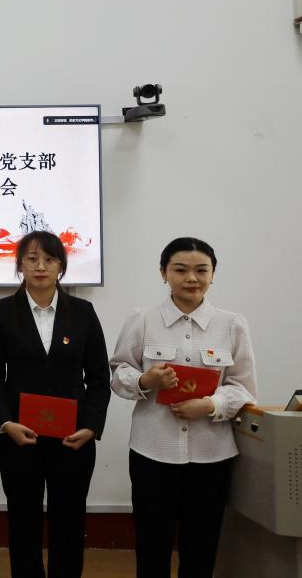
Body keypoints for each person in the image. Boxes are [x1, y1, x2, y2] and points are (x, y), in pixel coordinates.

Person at [110, 237, 257, 578]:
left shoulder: (232, 324)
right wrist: (146, 380)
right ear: (164, 273)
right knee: (152, 544)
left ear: (213, 275)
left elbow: (244, 388)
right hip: (152, 451)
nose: (192, 278)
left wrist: (210, 404)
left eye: (201, 270)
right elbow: (118, 374)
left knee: (202, 546)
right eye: (180, 270)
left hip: (212, 455)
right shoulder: (142, 320)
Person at [0, 230, 110, 578]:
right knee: (22, 520)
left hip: (73, 439)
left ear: (61, 267)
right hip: (18, 437)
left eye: (50, 259)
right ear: (20, 265)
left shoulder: (83, 312)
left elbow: (99, 378)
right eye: (32, 259)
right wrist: (5, 423)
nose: (41, 266)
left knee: (69, 521)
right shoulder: (2, 312)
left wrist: (91, 426)